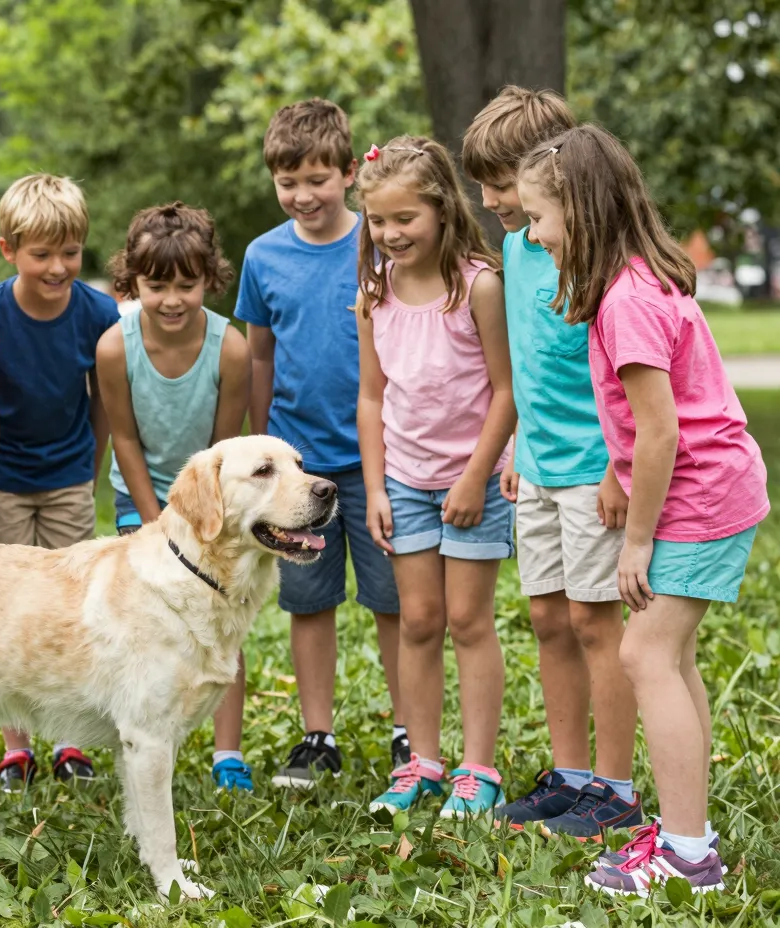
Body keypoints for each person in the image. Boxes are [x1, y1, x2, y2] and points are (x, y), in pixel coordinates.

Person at [518, 124, 769, 895]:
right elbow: (647, 425)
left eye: (539, 218)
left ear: (581, 213)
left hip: (699, 494)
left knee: (642, 655)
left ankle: (689, 857)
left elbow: (661, 430)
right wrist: (620, 476)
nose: (533, 235)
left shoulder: (625, 301)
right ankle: (686, 825)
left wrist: (634, 540)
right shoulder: (632, 282)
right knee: (670, 655)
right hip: (708, 486)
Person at [462, 88, 641, 838]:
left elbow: (626, 381)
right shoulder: (514, 247)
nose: (490, 197)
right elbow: (527, 368)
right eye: (485, 181)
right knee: (546, 617)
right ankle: (570, 777)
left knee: (596, 625)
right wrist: (513, 449)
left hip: (595, 473)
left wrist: (616, 473)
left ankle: (617, 787)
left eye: (502, 181)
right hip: (534, 468)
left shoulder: (598, 259)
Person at [234, 98, 404, 789]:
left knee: (394, 600)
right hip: (298, 467)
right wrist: (262, 449)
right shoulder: (262, 256)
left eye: (317, 179)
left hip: (381, 460)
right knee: (309, 603)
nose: (302, 195)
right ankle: (317, 735)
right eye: (287, 181)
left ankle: (409, 732)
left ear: (346, 171)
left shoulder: (380, 243)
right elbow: (260, 360)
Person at [355, 137, 516, 820]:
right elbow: (371, 396)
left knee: (468, 620)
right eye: (378, 221)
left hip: (472, 481)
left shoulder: (478, 285)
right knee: (418, 621)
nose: (390, 234)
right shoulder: (372, 294)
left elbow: (508, 393)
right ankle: (422, 760)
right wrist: (377, 487)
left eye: (405, 220)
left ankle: (478, 770)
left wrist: (478, 477)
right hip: (407, 481)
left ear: (443, 210)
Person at [96, 202, 253, 791]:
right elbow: (125, 439)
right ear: (131, 282)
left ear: (208, 278)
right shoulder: (115, 348)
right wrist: (153, 519)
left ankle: (227, 754)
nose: (170, 300)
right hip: (143, 504)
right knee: (138, 632)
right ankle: (138, 738)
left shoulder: (229, 347)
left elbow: (224, 451)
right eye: (154, 285)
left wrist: (205, 516)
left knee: (222, 628)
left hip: (214, 506)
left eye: (186, 285)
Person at [0, 174, 120, 790]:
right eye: (41, 255)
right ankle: (16, 745)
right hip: (4, 479)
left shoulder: (97, 312)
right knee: (12, 608)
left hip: (68, 476)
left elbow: (103, 402)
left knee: (69, 606)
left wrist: (88, 468)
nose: (58, 267)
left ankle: (68, 739)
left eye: (70, 252)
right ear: (9, 250)